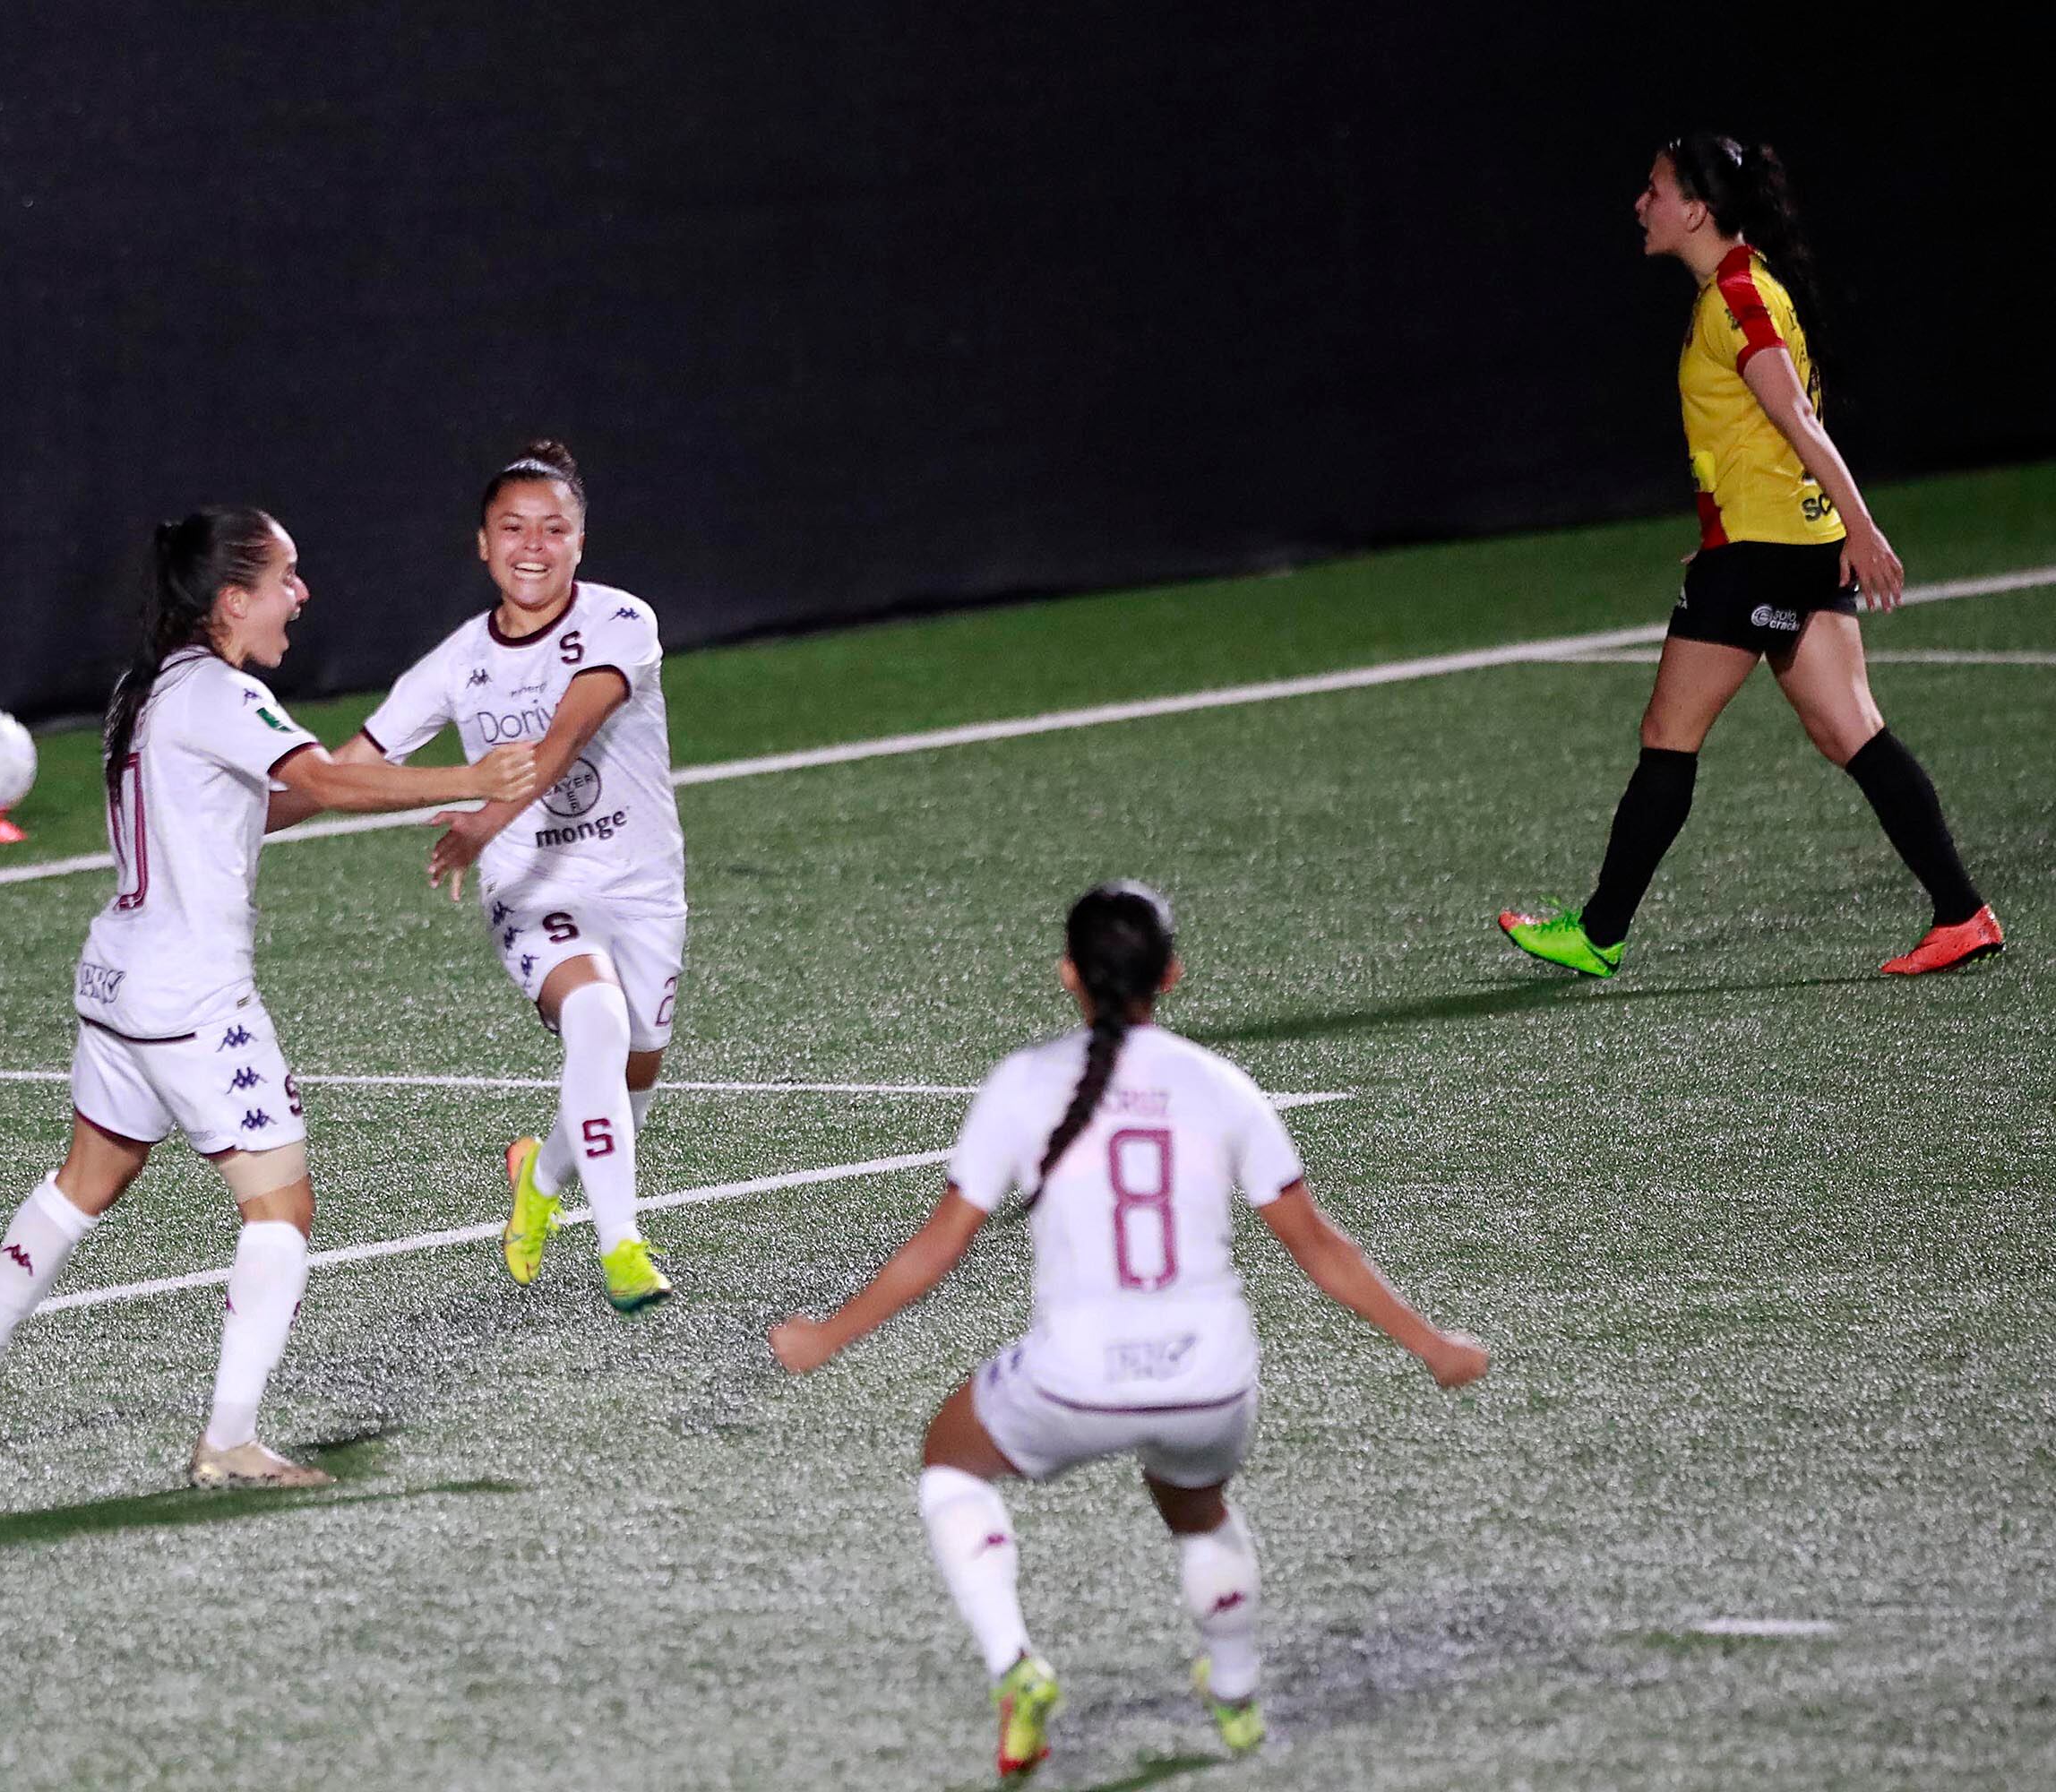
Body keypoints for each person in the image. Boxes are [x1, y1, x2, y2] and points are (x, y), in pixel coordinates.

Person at [769, 883, 1489, 1777]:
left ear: (1067, 974)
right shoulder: (1221, 1085)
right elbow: (1320, 1247)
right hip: (1210, 1381)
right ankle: (1235, 1693)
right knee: (1197, 1506)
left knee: (950, 1460)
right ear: (1172, 975)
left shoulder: (1023, 1082)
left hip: (1074, 1380)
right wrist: (1431, 1344)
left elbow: (939, 1248)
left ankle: (1015, 1665)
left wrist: (827, 1336)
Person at [0, 507, 535, 1486]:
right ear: (233, 599)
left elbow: (259, 805)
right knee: (281, 1206)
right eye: (287, 576)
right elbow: (324, 782)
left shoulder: (148, 688)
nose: (302, 593)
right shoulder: (221, 690)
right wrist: (471, 777)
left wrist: (367, 773)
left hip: (118, 982)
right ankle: (230, 1440)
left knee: (87, 1180)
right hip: (192, 1001)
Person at [1501, 134, 2000, 978]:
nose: (1641, 203)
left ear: (1696, 210)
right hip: (1791, 543)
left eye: (1655, 189)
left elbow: (1797, 417)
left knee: (1669, 733)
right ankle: (1963, 914)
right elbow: (1768, 431)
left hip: (1765, 553)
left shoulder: (1736, 297)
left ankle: (1599, 933)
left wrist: (1863, 527)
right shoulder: (1747, 284)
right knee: (1851, 731)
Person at [305, 440, 689, 1314]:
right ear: (483, 543)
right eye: (513, 527)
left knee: (632, 1080)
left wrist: (482, 818)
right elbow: (343, 770)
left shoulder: (622, 621)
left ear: (580, 541)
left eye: (554, 528)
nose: (533, 545)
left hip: (641, 886)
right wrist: (255, 809)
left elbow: (565, 736)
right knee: (595, 1020)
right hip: (533, 888)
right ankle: (623, 1247)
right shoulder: (454, 663)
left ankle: (538, 1177)